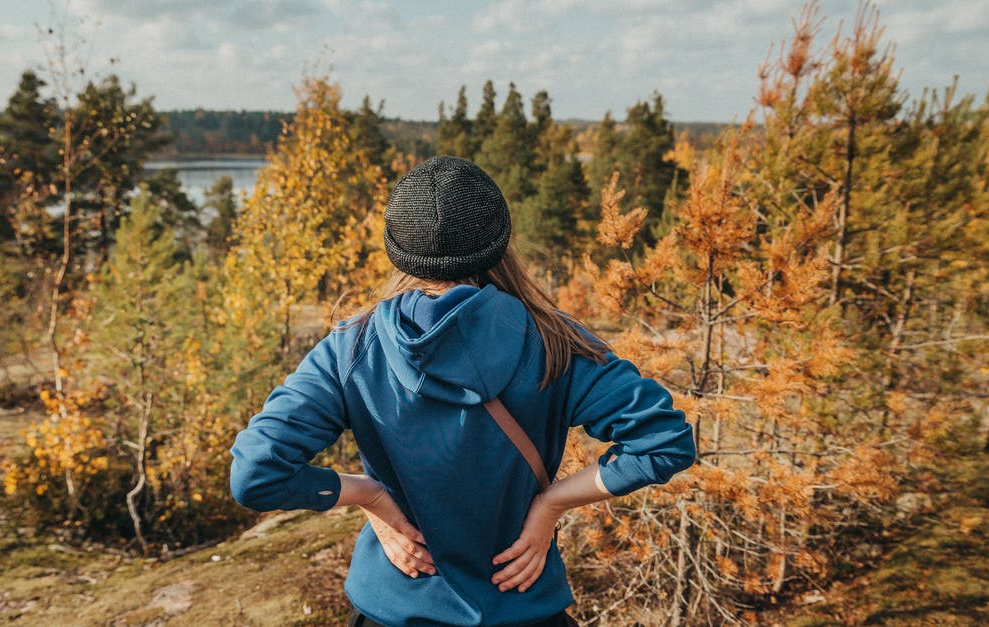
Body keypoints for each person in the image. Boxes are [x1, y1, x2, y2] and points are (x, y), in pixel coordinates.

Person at [230, 155, 696, 627]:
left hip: (396, 607)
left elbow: (256, 474)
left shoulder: (350, 348)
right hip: (520, 601)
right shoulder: (557, 343)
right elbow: (665, 442)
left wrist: (367, 496)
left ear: (397, 250)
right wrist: (550, 505)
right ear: (500, 243)